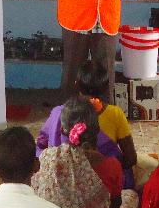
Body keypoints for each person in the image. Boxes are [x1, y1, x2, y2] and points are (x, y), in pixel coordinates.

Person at [38, 61, 137, 189]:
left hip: (64, 182)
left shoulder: (58, 113)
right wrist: (110, 168)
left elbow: (42, 144)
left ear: (76, 84)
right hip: (104, 183)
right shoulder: (115, 114)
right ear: (107, 87)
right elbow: (130, 158)